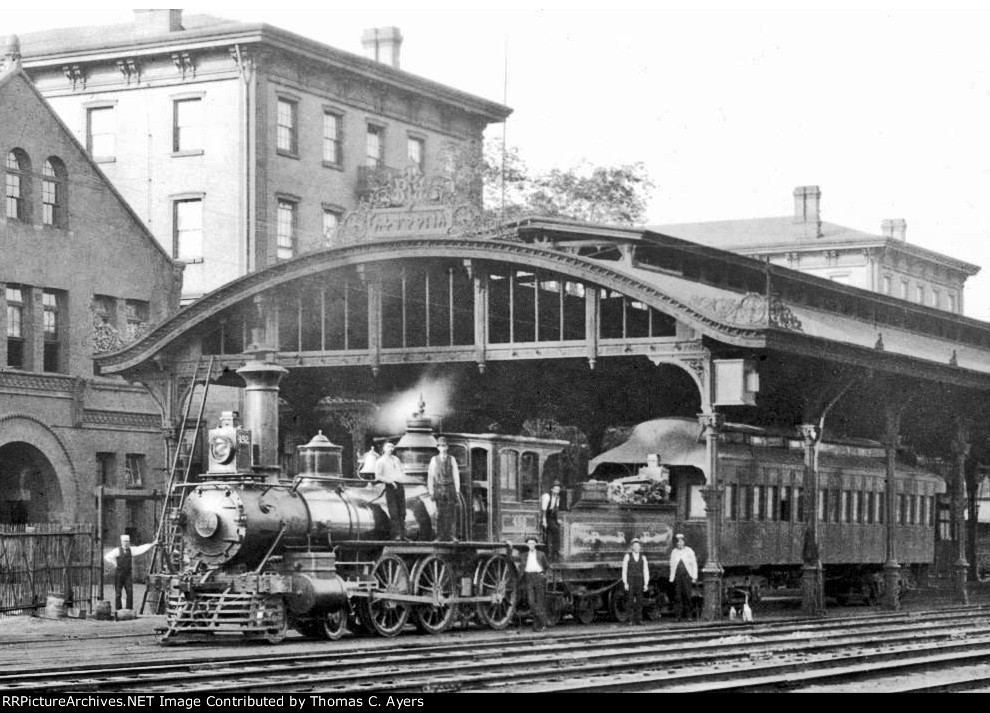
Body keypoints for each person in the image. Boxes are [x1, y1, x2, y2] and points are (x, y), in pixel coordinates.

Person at [104, 534, 156, 611]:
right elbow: (107, 557)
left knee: (130, 592)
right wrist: (114, 563)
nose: (126, 543)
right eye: (125, 541)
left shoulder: (131, 550)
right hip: (119, 574)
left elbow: (140, 549)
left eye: (128, 541)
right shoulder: (117, 550)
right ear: (122, 542)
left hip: (128, 574)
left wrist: (152, 544)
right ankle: (118, 610)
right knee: (118, 593)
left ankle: (129, 609)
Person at [427, 436, 460, 541]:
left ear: (447, 447)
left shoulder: (452, 459)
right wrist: (431, 491)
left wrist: (457, 490)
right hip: (439, 488)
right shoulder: (434, 459)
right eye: (440, 446)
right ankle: (440, 536)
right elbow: (430, 476)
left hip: (450, 488)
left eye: (444, 445)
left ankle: (451, 535)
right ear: (438, 448)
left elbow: (456, 475)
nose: (442, 448)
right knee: (440, 513)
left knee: (450, 512)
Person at [374, 441, 407, 540]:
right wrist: (390, 482)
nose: (391, 449)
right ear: (384, 448)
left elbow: (401, 470)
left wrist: (401, 478)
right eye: (388, 447)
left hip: (400, 485)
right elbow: (378, 476)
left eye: (392, 447)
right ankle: (396, 535)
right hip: (390, 487)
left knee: (402, 511)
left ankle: (403, 535)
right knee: (394, 512)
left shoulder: (396, 459)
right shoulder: (380, 461)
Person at [520, 535, 552, 632]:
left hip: (539, 577)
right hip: (529, 577)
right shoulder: (523, 555)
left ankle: (539, 625)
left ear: (535, 544)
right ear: (527, 545)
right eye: (529, 543)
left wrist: (544, 576)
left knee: (540, 602)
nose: (531, 545)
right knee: (531, 602)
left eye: (533, 543)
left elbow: (547, 566)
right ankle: (544, 620)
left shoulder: (541, 554)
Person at [669, 532, 698, 621]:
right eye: (678, 542)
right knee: (678, 597)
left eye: (681, 541)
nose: (680, 543)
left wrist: (694, 577)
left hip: (687, 577)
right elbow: (672, 565)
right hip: (677, 577)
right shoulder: (674, 552)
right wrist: (671, 577)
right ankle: (678, 616)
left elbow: (694, 564)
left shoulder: (689, 551)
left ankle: (689, 616)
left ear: (684, 542)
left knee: (687, 596)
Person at [622, 537, 650, 625]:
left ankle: (639, 619)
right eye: (635, 546)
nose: (637, 547)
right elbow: (624, 570)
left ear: (640, 547)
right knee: (630, 600)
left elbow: (646, 570)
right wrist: (625, 582)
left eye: (638, 546)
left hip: (640, 580)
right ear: (632, 547)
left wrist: (646, 583)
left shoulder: (643, 557)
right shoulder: (627, 556)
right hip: (630, 580)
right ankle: (630, 619)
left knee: (639, 601)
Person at [540, 480, 563, 560]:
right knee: (555, 529)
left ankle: (555, 551)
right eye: (555, 489)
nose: (557, 491)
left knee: (559, 528)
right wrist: (544, 521)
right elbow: (543, 510)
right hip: (546, 516)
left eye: (558, 490)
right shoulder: (547, 496)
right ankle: (554, 551)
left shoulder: (557, 498)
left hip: (552, 517)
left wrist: (558, 519)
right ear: (552, 489)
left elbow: (556, 509)